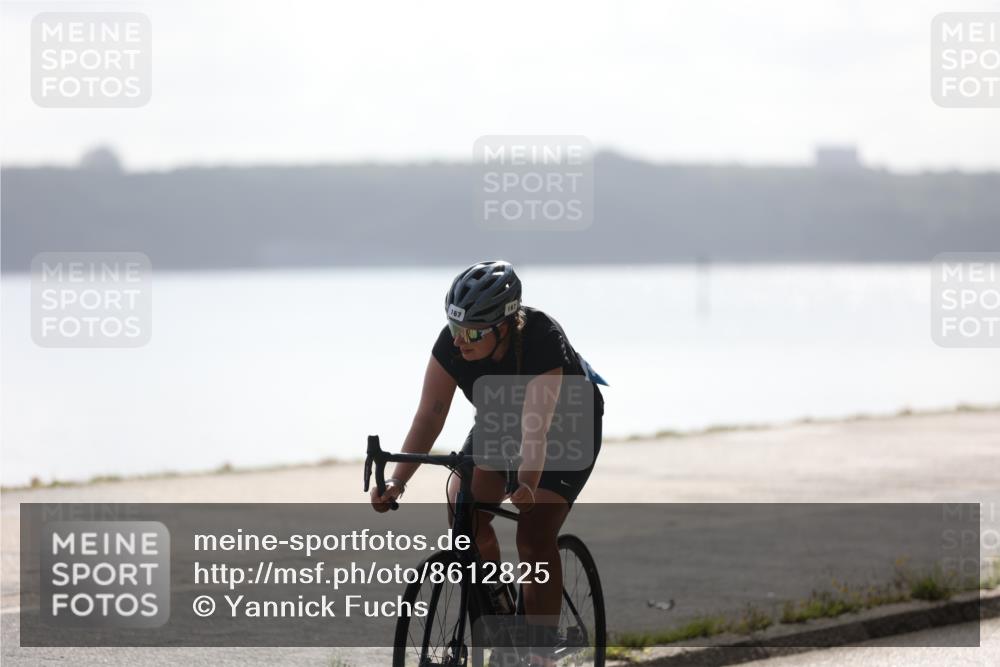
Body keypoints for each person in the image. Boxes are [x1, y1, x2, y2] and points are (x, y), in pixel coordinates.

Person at [370, 260, 605, 666]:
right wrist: (397, 481)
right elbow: (430, 415)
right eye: (455, 326)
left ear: (506, 324)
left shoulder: (541, 337)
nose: (460, 340)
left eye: (474, 332)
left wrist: (527, 483)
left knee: (533, 534)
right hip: (501, 418)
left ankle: (540, 654)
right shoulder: (453, 343)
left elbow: (536, 428)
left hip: (567, 423)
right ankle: (500, 615)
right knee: (463, 506)